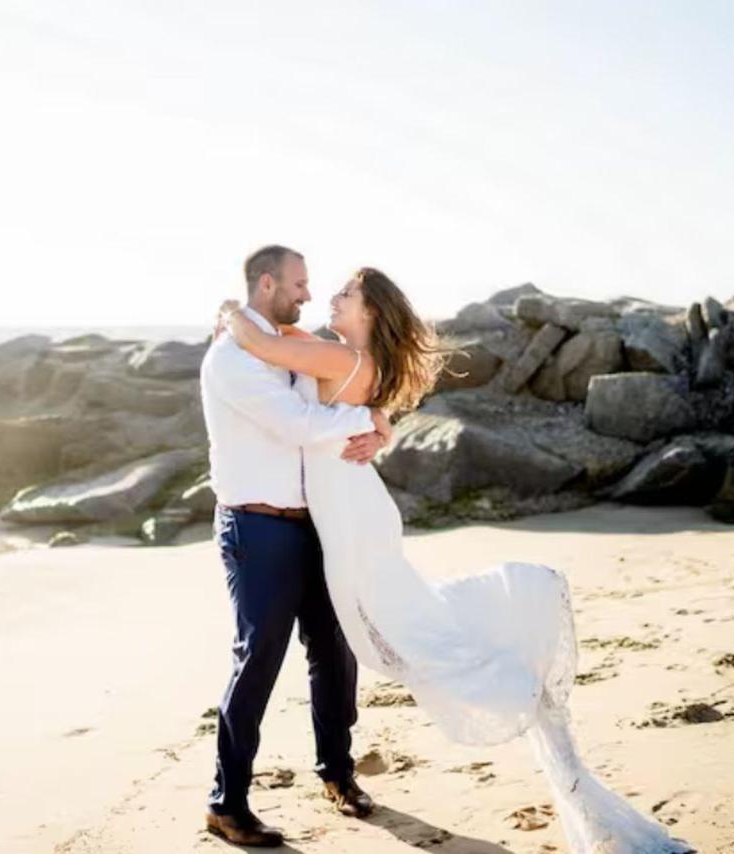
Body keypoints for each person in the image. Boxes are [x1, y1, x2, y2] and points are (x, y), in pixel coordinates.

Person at [214, 262, 696, 853]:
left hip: (349, 517)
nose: (328, 298)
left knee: (386, 628)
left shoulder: (341, 360)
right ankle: (277, 783)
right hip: (342, 514)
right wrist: (375, 418)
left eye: (345, 294)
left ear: (370, 312)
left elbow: (265, 343)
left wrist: (229, 313)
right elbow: (290, 351)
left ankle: (477, 684)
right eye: (326, 289)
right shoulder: (337, 354)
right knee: (383, 622)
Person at [199, 245, 392, 847]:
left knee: (335, 650)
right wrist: (368, 425)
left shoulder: (288, 343)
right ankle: (226, 802)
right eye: (300, 284)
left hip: (315, 523)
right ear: (266, 283)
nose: (308, 295)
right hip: (256, 528)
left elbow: (343, 389)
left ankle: (338, 773)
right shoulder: (231, 358)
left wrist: (380, 416)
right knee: (258, 657)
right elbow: (298, 425)